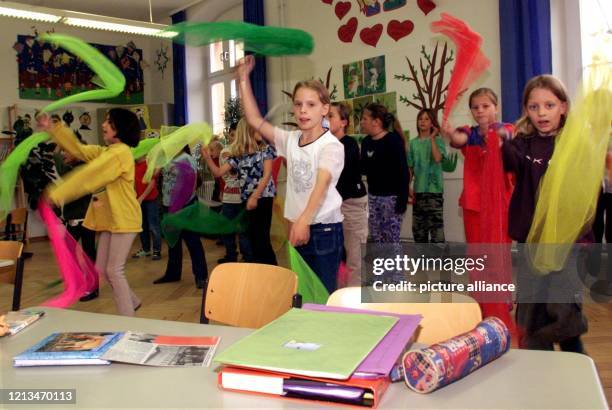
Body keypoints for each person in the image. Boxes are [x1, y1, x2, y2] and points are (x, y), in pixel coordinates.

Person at [237, 55, 344, 293]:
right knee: (303, 293)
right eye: (298, 104)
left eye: (311, 104)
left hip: (323, 230)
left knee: (323, 294)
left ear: (325, 108)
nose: (303, 110)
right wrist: (243, 79)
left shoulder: (330, 145)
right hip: (298, 227)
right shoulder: (290, 139)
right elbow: (254, 120)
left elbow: (322, 182)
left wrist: (304, 220)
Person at [502, 75, 587, 353]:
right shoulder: (522, 146)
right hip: (531, 243)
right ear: (526, 110)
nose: (541, 113)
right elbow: (507, 161)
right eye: (534, 107)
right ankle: (541, 379)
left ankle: (577, 377)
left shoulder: (575, 144)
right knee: (533, 320)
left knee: (565, 318)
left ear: (563, 107)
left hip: (566, 246)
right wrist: (502, 139)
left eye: (549, 105)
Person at [40, 108, 142, 316]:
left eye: (109, 122)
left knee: (114, 270)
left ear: (119, 129)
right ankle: (133, 301)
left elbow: (89, 176)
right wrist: (56, 128)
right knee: (103, 269)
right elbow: (79, 150)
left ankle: (129, 324)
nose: (103, 125)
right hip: (110, 220)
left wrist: (59, 194)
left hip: (124, 219)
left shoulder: (119, 154)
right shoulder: (108, 152)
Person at [203, 118, 277, 265]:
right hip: (247, 200)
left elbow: (267, 174)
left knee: (262, 239)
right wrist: (207, 158)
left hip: (263, 199)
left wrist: (255, 197)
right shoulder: (238, 155)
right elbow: (218, 173)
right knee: (252, 240)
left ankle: (273, 274)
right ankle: (259, 274)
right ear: (248, 132)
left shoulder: (266, 150)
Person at [154, 147, 208, 289]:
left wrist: (180, 204)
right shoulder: (167, 159)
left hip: (185, 206)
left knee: (192, 241)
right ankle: (173, 273)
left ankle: (201, 276)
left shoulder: (186, 159)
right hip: (169, 205)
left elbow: (192, 184)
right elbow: (157, 177)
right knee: (173, 242)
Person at [328, 102, 367, 286]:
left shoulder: (348, 144)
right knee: (337, 257)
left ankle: (354, 302)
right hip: (335, 206)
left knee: (354, 258)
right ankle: (340, 295)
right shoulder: (327, 145)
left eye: (331, 116)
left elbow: (340, 176)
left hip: (351, 204)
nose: (326, 121)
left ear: (343, 122)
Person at [360, 103, 409, 244]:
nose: (362, 122)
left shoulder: (393, 140)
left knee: (391, 239)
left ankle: (394, 267)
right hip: (373, 197)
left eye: (364, 119)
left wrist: (402, 200)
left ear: (376, 122)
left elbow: (403, 172)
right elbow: (364, 169)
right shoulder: (366, 142)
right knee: (377, 238)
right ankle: (381, 266)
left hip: (391, 199)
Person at [54, 149, 98, 301]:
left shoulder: (82, 169)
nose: (65, 155)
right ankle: (83, 283)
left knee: (88, 252)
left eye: (68, 151)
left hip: (83, 218)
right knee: (71, 251)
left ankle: (92, 286)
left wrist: (57, 152)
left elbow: (63, 171)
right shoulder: (76, 169)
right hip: (77, 218)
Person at [408, 109, 446, 243]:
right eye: (420, 119)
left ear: (432, 123)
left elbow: (437, 158)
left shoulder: (438, 140)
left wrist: (432, 139)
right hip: (418, 193)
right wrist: (408, 187)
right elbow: (410, 168)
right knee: (418, 231)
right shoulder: (413, 143)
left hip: (434, 193)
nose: (422, 121)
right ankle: (422, 261)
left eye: (426, 119)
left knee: (436, 232)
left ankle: (437, 262)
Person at [132, 156, 162, 260]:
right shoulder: (134, 165)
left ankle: (157, 250)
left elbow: (152, 183)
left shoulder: (149, 164)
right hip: (140, 200)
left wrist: (142, 197)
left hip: (151, 199)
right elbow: (135, 182)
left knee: (153, 225)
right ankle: (146, 249)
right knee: (142, 226)